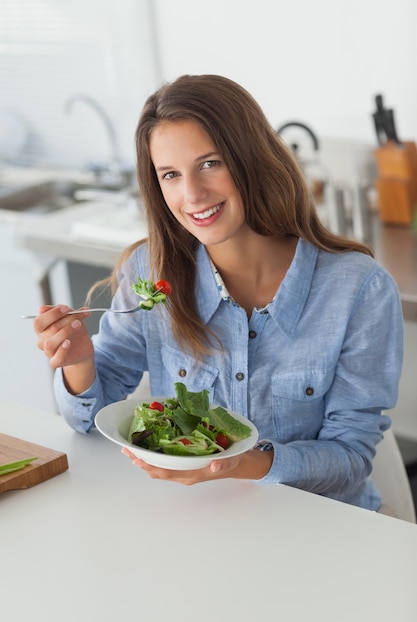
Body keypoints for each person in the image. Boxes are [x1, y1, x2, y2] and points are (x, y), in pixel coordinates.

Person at [33, 74, 403, 511]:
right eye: (170, 174)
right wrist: (79, 361)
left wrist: (242, 464)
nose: (191, 194)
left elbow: (350, 457)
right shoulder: (149, 273)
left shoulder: (358, 289)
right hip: (201, 523)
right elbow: (88, 421)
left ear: (251, 159)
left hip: (322, 529)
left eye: (210, 163)